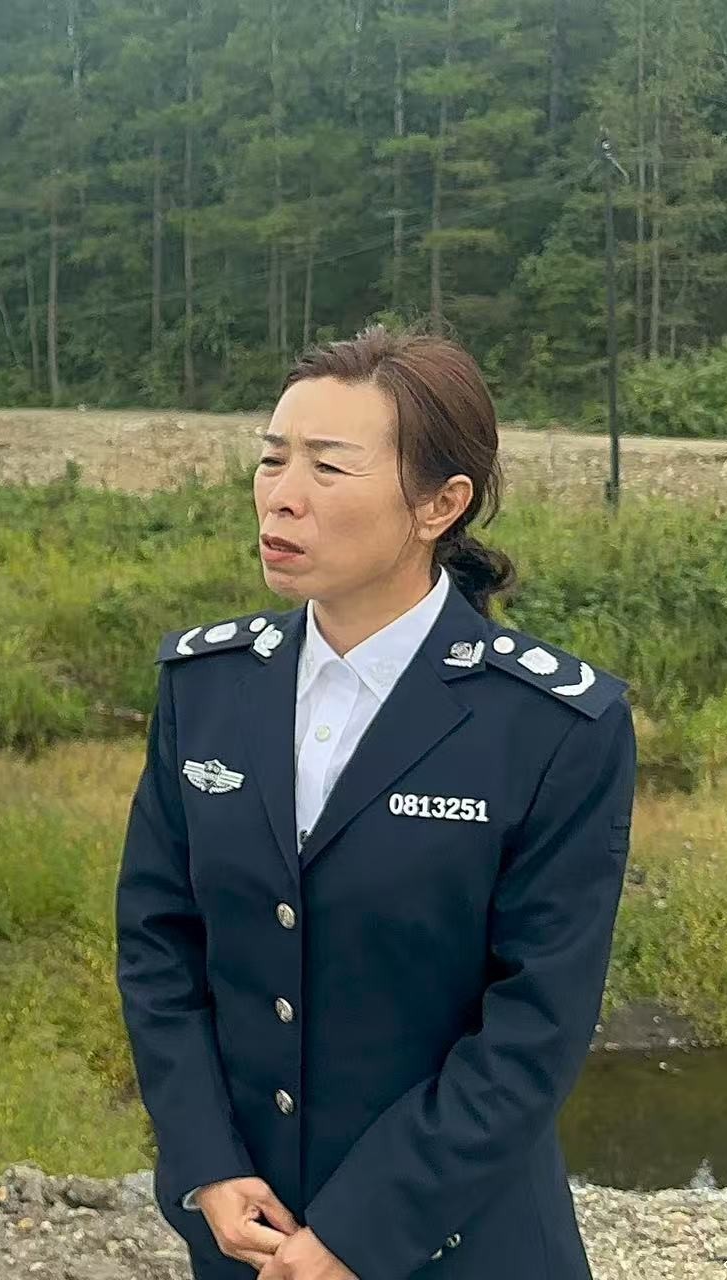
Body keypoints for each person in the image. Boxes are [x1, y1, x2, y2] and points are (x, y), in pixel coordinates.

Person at [115, 328, 637, 1280]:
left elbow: (536, 1023)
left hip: (461, 1245)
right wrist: (205, 1164)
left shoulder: (552, 724)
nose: (283, 494)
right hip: (252, 1237)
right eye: (272, 459)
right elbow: (159, 942)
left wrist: (360, 1234)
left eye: (328, 466)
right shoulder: (208, 687)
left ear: (440, 504)